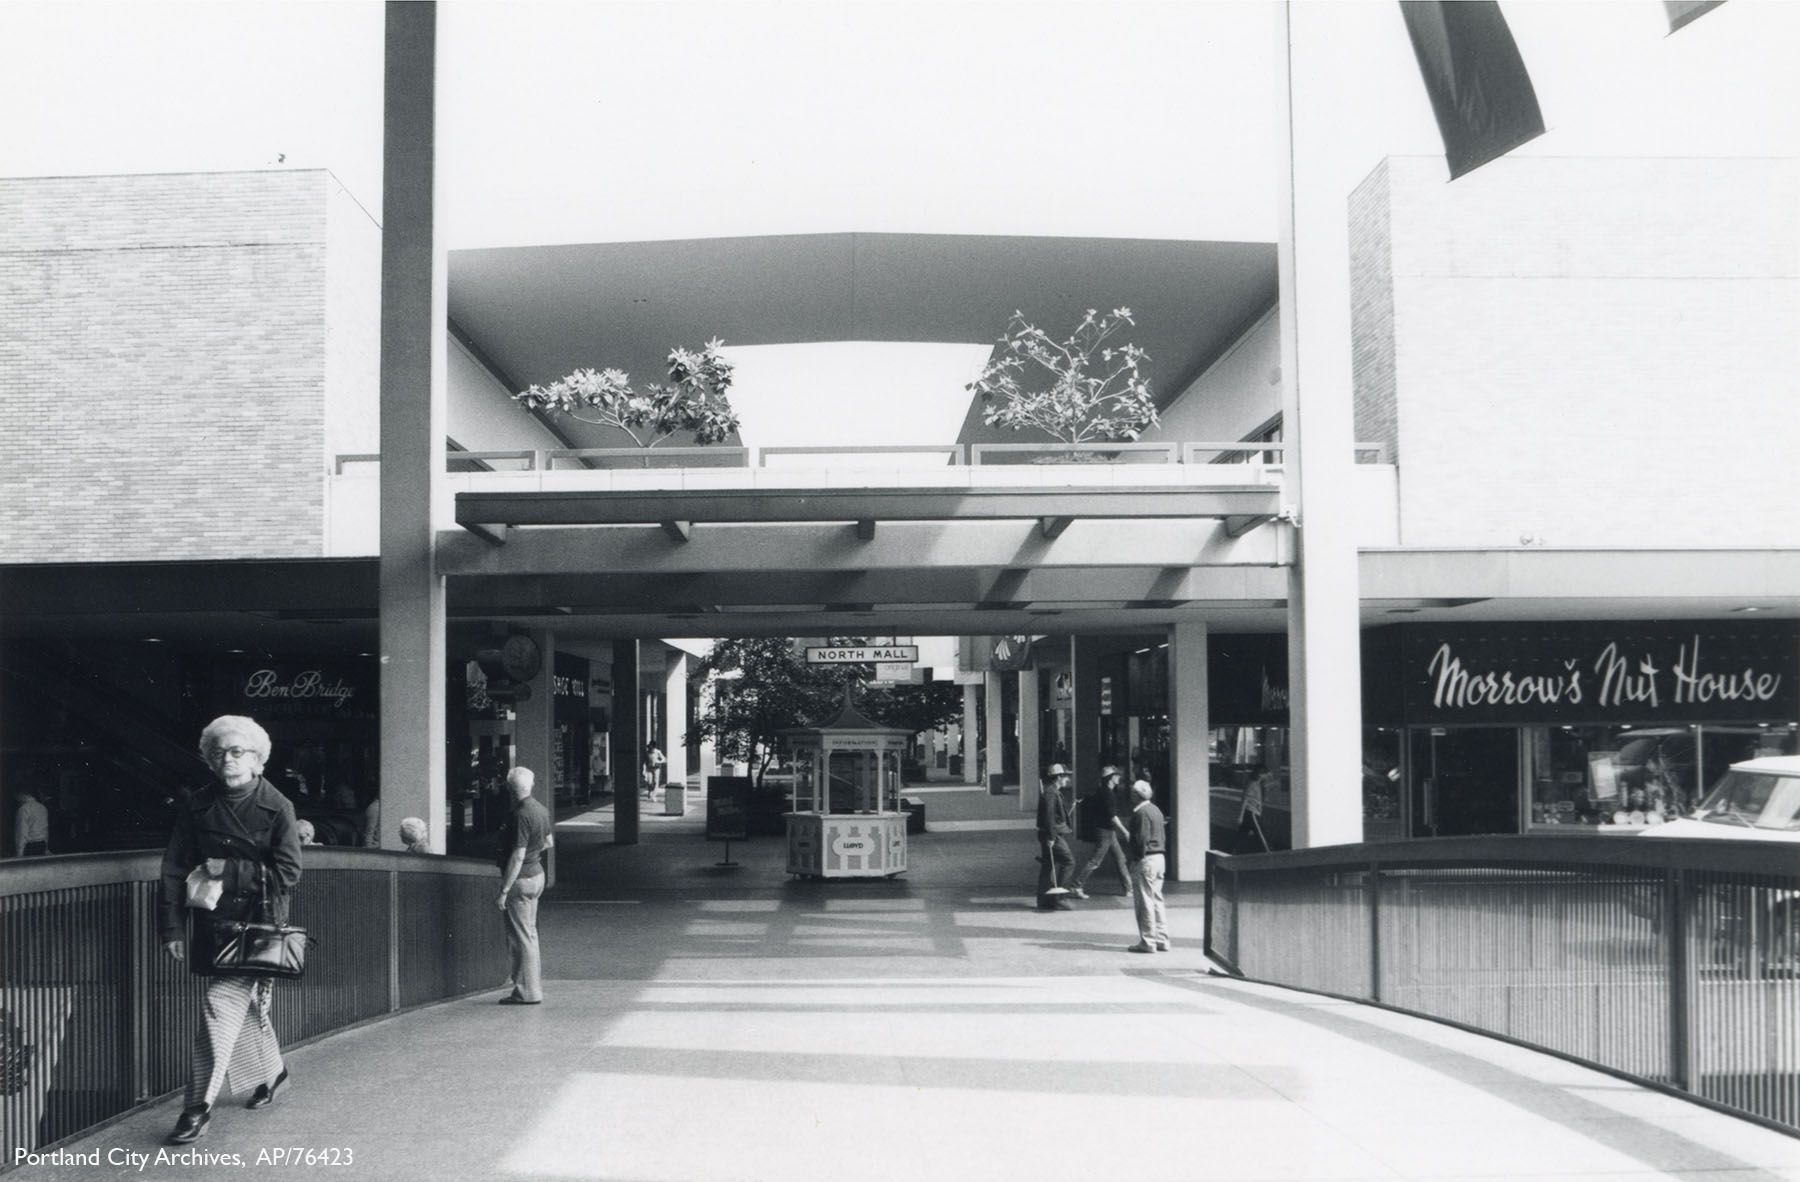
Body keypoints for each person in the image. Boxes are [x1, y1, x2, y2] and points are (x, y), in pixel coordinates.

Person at [158, 715, 301, 1144]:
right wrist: (171, 929)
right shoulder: (196, 804)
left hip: (257, 923)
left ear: (258, 760)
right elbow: (173, 869)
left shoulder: (279, 806)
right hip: (211, 923)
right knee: (249, 1007)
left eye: (237, 751)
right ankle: (273, 1074)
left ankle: (196, 1107)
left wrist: (230, 870)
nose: (227, 759)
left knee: (219, 1006)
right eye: (218, 752)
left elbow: (289, 873)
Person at [496, 767, 552, 1005]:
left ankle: (528, 992)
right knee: (529, 934)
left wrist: (505, 890)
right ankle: (531, 987)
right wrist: (533, 853)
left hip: (522, 880)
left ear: (510, 788)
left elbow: (517, 855)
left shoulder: (520, 814)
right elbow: (548, 841)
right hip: (537, 875)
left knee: (521, 937)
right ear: (532, 784)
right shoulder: (541, 809)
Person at [1070, 765, 1133, 898]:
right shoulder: (1109, 794)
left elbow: (1092, 799)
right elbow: (1113, 816)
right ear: (1110, 778)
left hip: (1108, 831)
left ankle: (1129, 888)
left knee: (1120, 858)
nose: (1119, 777)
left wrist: (1083, 799)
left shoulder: (1102, 790)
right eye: (1116, 775)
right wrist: (1125, 831)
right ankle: (1076, 886)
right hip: (1105, 832)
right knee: (1095, 861)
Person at [1125, 779, 1169, 953]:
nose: (1130, 794)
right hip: (1160, 858)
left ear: (1137, 794)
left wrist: (1135, 859)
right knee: (1157, 900)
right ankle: (1162, 939)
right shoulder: (1156, 810)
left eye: (1132, 792)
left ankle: (1148, 941)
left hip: (1146, 860)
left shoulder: (1140, 813)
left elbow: (1141, 839)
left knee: (1145, 901)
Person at [1034, 763, 1075, 911]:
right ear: (1058, 777)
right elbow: (1049, 816)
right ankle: (1060, 898)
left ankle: (1043, 900)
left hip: (1047, 833)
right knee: (1068, 861)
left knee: (1047, 866)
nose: (1067, 779)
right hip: (1052, 835)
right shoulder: (1051, 793)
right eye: (1065, 776)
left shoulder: (1052, 791)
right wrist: (1051, 837)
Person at [13, 787, 50, 857]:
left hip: (29, 847)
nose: (17, 800)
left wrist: (19, 853)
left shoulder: (23, 809)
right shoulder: (42, 807)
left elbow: (22, 832)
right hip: (42, 845)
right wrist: (46, 848)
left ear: (21, 795)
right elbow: (45, 829)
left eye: (17, 797)